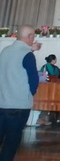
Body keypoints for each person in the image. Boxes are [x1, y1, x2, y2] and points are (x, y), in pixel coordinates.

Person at [0, 26, 41, 159]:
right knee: (11, 142)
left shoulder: (5, 51)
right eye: (33, 36)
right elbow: (33, 80)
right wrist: (30, 94)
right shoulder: (27, 55)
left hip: (2, 102)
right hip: (18, 105)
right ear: (29, 36)